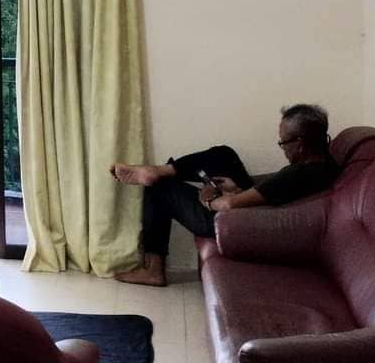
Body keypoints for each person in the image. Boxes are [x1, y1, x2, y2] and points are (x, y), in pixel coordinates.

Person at [110, 103, 339, 287]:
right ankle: (162, 169)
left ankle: (153, 268)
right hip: (258, 211)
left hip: (240, 223)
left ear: (300, 143)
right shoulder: (325, 164)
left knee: (161, 187)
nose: (282, 147)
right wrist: (238, 189)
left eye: (283, 142)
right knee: (224, 155)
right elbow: (273, 193)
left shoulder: (299, 174)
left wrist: (209, 199)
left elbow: (229, 206)